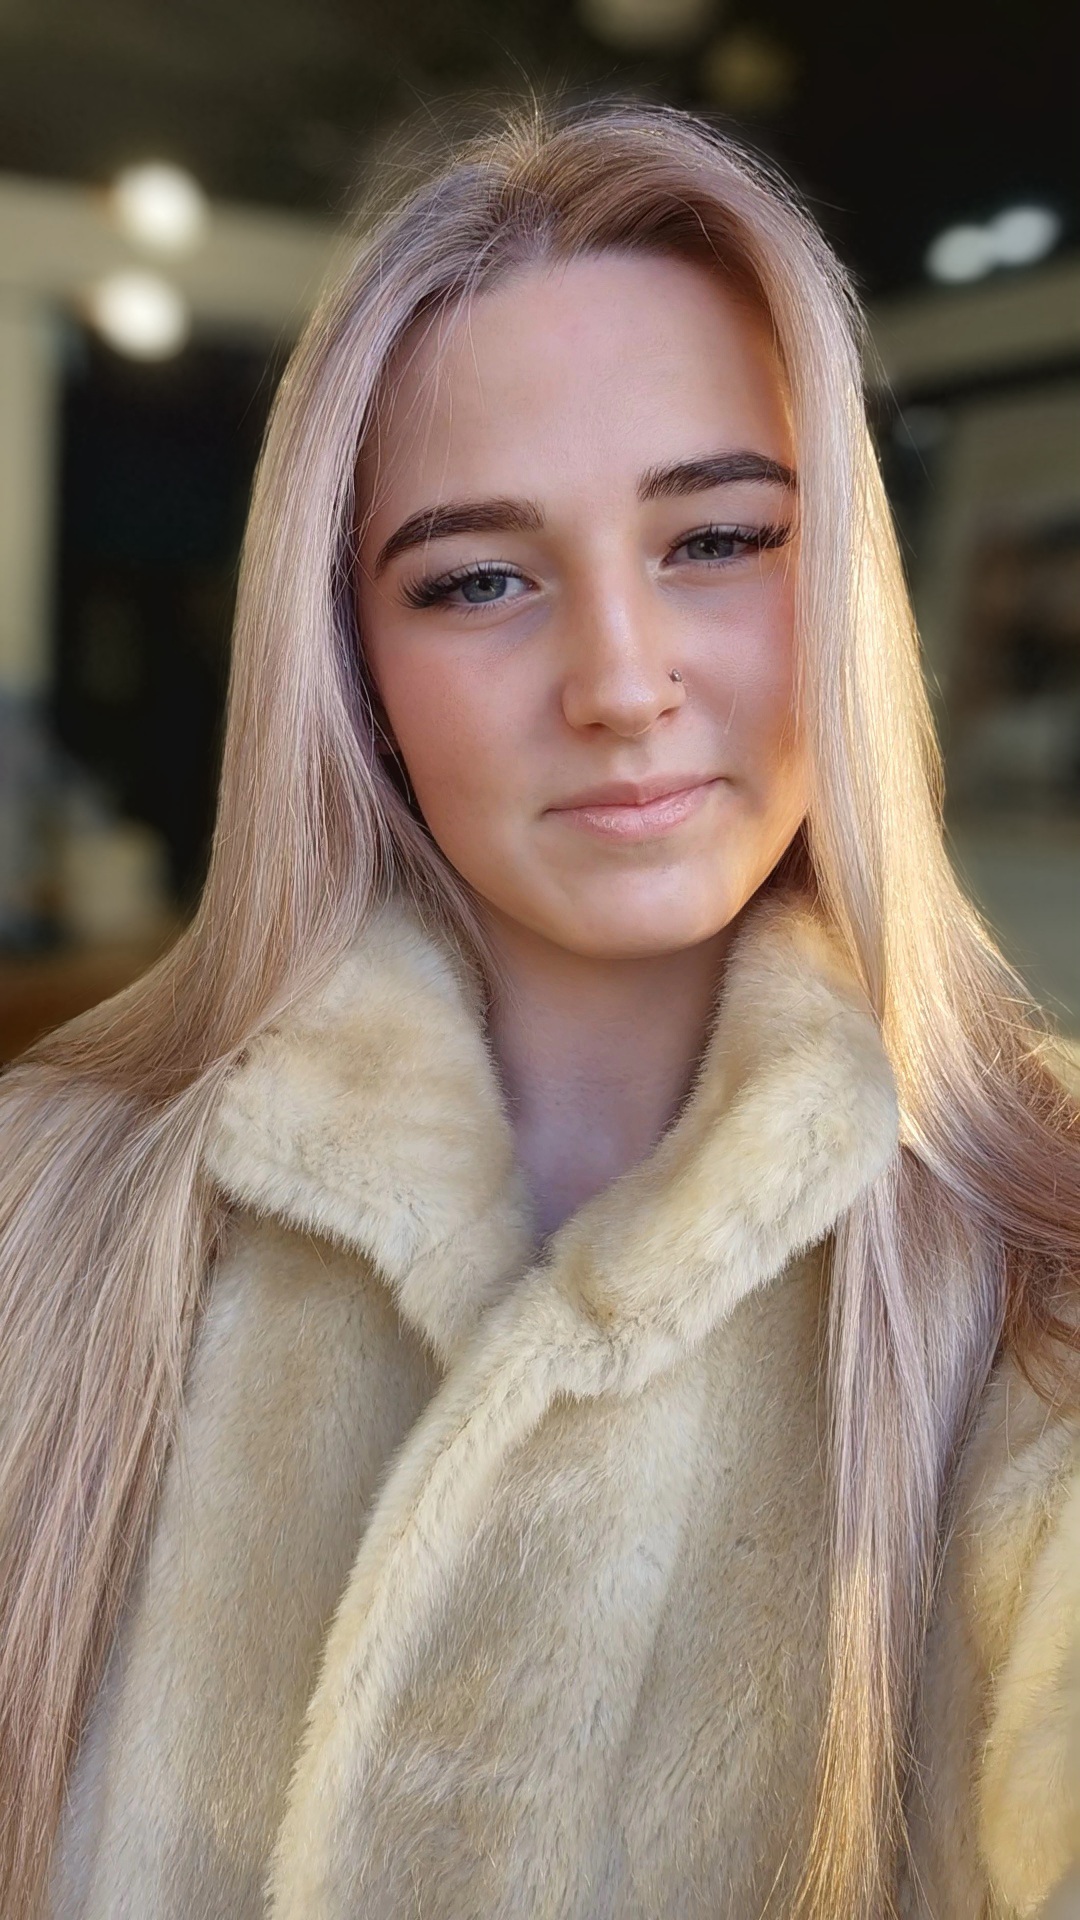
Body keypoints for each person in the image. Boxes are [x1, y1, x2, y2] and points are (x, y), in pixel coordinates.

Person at [1, 101, 1078, 1920]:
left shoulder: (1047, 1242)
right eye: (480, 579)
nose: (621, 682)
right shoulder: (42, 1211)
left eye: (717, 538)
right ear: (350, 664)